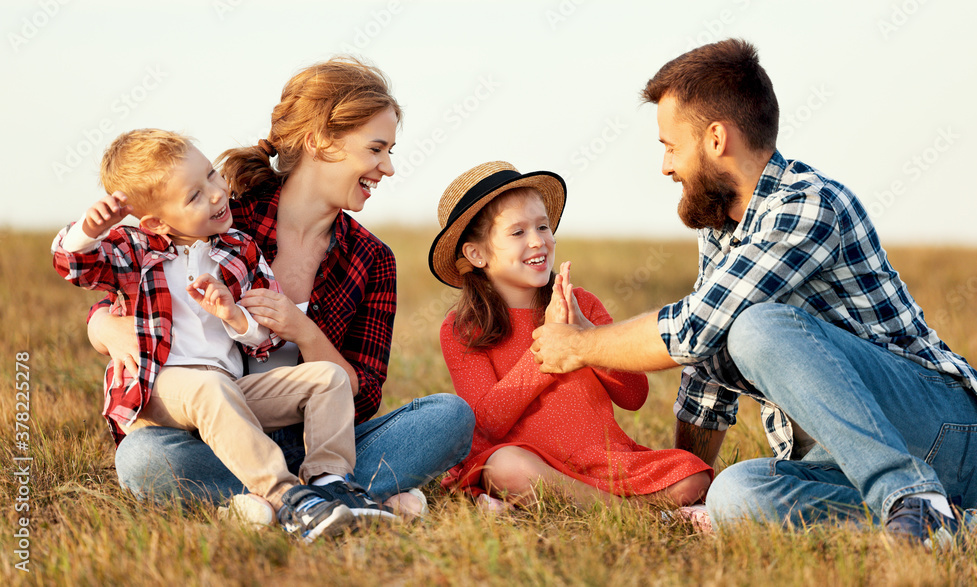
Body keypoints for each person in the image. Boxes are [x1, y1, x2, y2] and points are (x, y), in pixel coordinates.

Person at [530, 39, 977, 546]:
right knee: (736, 497)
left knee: (756, 327)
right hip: (842, 458)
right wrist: (693, 488)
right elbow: (705, 376)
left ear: (715, 139)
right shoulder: (723, 229)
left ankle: (911, 496)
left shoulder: (806, 205)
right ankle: (968, 527)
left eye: (670, 146)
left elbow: (691, 331)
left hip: (942, 432)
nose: (665, 167)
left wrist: (579, 345)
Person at [87, 58, 474, 521]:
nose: (387, 167)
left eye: (389, 151)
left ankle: (283, 499)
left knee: (449, 417)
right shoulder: (229, 220)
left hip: (322, 440)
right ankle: (338, 498)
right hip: (216, 438)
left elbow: (363, 397)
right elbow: (135, 287)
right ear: (319, 142)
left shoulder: (372, 258)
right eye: (376, 149)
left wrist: (304, 331)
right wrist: (104, 326)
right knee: (144, 457)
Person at [54, 128, 396, 541]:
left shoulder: (238, 247)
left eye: (213, 176)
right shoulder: (134, 249)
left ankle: (329, 485)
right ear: (157, 221)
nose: (217, 194)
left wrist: (235, 318)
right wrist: (87, 231)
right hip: (164, 390)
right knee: (157, 444)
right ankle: (289, 498)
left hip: (233, 392)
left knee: (329, 378)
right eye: (194, 196)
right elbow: (75, 264)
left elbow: (264, 340)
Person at [429, 161, 712, 511]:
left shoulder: (582, 305)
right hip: (530, 460)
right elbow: (487, 422)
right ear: (476, 253)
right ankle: (627, 512)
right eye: (517, 233)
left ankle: (588, 504)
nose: (537, 241)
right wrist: (551, 343)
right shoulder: (463, 327)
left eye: (543, 226)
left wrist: (589, 341)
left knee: (694, 475)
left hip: (602, 460)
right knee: (505, 466)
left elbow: (634, 395)